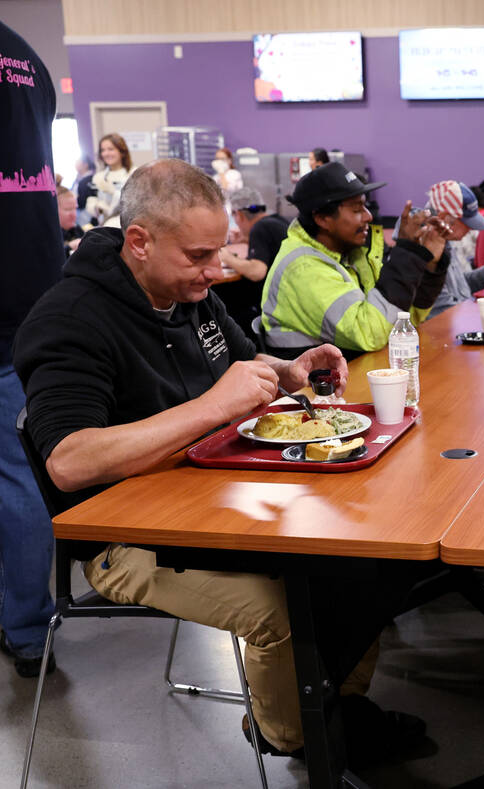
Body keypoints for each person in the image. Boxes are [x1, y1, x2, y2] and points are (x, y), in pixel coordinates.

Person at [14, 158, 427, 763]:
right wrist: (211, 407)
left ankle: (331, 703)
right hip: (124, 538)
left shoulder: (190, 295)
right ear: (139, 241)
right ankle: (296, 734)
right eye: (199, 256)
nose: (217, 270)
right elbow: (69, 463)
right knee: (289, 607)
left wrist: (290, 370)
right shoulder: (69, 320)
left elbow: (244, 366)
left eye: (222, 250)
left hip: (215, 497)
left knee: (369, 549)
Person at [0, 19, 62, 679]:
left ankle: (22, 624)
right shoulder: (24, 55)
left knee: (15, 476)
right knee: (18, 467)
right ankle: (24, 621)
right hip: (35, 290)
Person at [260, 162, 448, 357]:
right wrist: (407, 253)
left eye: (365, 206)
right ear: (322, 219)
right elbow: (370, 333)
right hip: (312, 384)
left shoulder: (349, 254)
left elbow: (400, 319)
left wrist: (428, 262)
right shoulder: (304, 268)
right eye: (357, 209)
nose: (368, 216)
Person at [411, 180, 484, 319]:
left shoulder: (444, 239)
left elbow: (457, 289)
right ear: (444, 218)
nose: (470, 230)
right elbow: (439, 309)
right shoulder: (422, 245)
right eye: (467, 224)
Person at [214, 187, 289, 338]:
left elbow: (257, 272)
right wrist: (244, 239)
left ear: (239, 215)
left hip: (269, 309)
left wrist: (228, 258)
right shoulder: (277, 221)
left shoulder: (260, 228)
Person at [86, 132, 134, 225]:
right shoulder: (98, 177)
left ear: (122, 152)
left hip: (127, 225)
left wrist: (113, 191)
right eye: (103, 150)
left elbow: (135, 203)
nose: (106, 153)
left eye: (111, 149)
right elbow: (91, 201)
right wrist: (97, 208)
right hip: (105, 225)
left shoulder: (133, 174)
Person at [57, 185, 86, 258]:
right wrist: (68, 249)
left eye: (75, 208)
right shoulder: (49, 236)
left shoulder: (78, 231)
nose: (74, 214)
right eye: (68, 209)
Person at [74, 155, 97, 224]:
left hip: (86, 215)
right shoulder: (79, 179)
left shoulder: (88, 180)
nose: (75, 165)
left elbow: (82, 201)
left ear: (85, 165)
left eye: (78, 162)